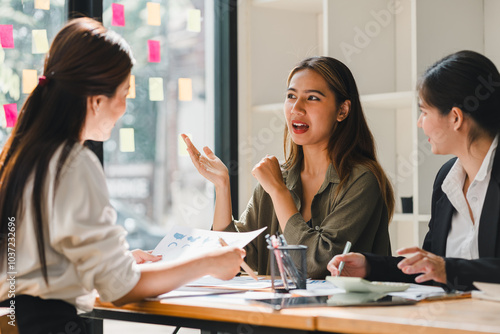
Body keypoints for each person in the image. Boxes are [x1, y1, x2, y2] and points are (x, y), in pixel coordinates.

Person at [0, 18, 244, 334]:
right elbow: (122, 288)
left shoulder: (22, 158)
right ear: (96, 99)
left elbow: (40, 264)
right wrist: (209, 261)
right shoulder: (74, 163)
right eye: (124, 94)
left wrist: (118, 260)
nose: (125, 108)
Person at [183, 56, 394, 279]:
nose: (296, 108)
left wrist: (279, 192)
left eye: (312, 98)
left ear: (342, 110)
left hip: (343, 313)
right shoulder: (277, 178)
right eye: (291, 96)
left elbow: (315, 264)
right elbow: (231, 262)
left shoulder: (361, 180)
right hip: (279, 312)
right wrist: (222, 186)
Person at [327, 50, 500, 291]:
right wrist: (369, 267)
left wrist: (447, 269)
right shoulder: (446, 179)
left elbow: (442, 268)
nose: (420, 123)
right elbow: (430, 269)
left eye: (424, 112)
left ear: (455, 118)